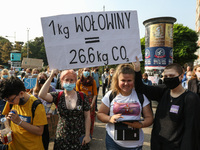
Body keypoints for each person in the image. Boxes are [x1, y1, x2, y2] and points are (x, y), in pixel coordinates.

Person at [133, 57, 200, 150]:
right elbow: (141, 88)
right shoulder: (163, 91)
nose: (168, 78)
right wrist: (137, 70)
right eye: (166, 76)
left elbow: (191, 129)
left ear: (181, 76)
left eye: (171, 76)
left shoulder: (190, 98)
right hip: (158, 144)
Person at [97, 64, 153, 150]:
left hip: (135, 145)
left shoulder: (141, 96)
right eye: (123, 80)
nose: (126, 83)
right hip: (113, 143)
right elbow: (100, 114)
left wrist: (141, 124)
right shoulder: (110, 95)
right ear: (117, 80)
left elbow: (149, 117)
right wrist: (109, 119)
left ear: (134, 80)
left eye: (129, 80)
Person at [39, 69, 91, 150]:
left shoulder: (82, 96)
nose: (69, 82)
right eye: (66, 80)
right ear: (62, 81)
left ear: (75, 81)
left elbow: (87, 116)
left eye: (71, 80)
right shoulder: (58, 96)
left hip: (79, 137)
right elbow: (42, 94)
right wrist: (51, 76)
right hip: (62, 138)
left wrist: (87, 135)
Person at [0, 76, 47, 150]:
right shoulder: (11, 101)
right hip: (13, 147)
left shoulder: (36, 105)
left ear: (21, 93)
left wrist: (19, 122)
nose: (9, 102)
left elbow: (39, 131)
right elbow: (6, 116)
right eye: (7, 100)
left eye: (11, 100)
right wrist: (7, 130)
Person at [76, 68, 97, 136]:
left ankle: (89, 135)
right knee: (81, 118)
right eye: (85, 70)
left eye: (88, 70)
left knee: (90, 118)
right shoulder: (79, 82)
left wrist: (92, 104)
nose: (87, 72)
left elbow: (95, 94)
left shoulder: (93, 81)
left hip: (90, 101)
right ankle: (81, 135)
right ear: (82, 71)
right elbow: (77, 93)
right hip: (81, 101)